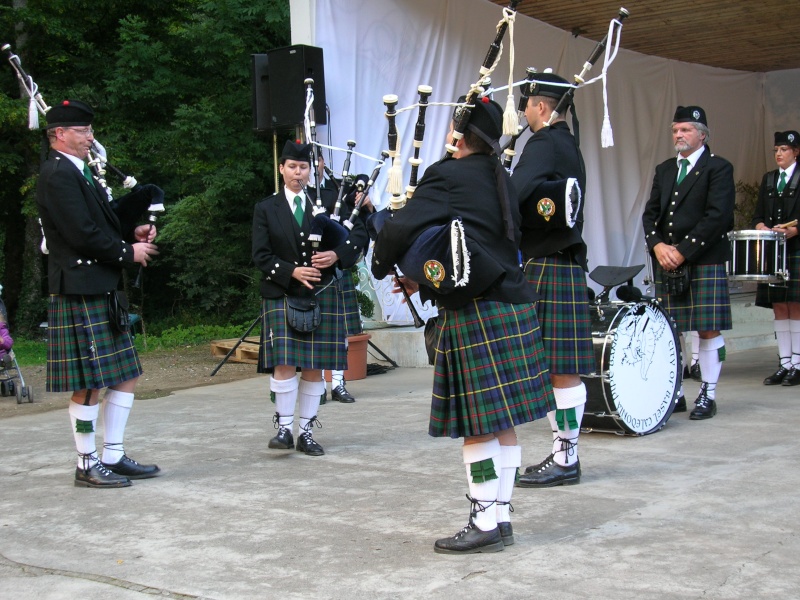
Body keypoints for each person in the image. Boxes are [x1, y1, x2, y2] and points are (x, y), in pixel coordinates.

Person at [372, 97, 555, 554]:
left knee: (478, 426)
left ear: (458, 135)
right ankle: (501, 516)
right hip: (515, 305)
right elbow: (468, 244)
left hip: (478, 312)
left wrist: (382, 260)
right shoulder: (502, 180)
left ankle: (483, 522)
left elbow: (400, 228)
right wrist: (426, 276)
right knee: (504, 423)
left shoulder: (447, 175)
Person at [35, 100, 161, 487]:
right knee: (89, 383)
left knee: (125, 376)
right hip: (79, 289)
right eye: (82, 130)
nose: (91, 137)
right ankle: (86, 464)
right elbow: (79, 234)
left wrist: (130, 234)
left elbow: (99, 224)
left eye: (90, 129)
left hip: (99, 287)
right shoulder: (57, 174)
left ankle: (113, 454)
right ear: (59, 134)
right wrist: (129, 253)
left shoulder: (81, 173)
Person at [252, 140, 365, 456]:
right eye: (292, 167)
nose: (297, 173)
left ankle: (307, 432)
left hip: (322, 293)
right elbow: (260, 255)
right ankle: (285, 430)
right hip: (283, 293)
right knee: (284, 363)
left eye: (303, 168)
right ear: (282, 168)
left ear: (310, 171)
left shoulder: (329, 202)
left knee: (315, 366)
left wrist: (335, 255)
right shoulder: (266, 208)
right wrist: (292, 272)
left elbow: (357, 238)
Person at [510, 72, 593, 487]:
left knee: (559, 368)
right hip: (563, 263)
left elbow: (513, 194)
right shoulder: (569, 145)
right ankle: (566, 453)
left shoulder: (543, 143)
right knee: (561, 367)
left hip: (547, 263)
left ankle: (565, 458)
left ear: (541, 107)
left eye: (527, 105)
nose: (523, 112)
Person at [642, 105, 735, 419]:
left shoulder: (718, 168)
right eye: (675, 130)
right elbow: (650, 215)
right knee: (671, 329)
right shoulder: (665, 169)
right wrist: (657, 246)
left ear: (703, 134)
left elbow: (717, 217)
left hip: (703, 259)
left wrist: (681, 250)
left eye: (685, 130)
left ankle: (708, 392)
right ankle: (676, 392)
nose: (678, 135)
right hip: (667, 259)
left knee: (707, 329)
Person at [314, 159, 372, 404]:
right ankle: (315, 386)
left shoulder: (336, 192)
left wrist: (337, 254)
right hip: (308, 273)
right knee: (311, 331)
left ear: (321, 163)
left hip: (336, 271)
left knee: (341, 330)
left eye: (314, 160)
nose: (307, 167)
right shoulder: (296, 199)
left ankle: (338, 383)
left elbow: (359, 231)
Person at [751, 130, 800, 386]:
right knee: (780, 306)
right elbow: (757, 214)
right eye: (776, 150)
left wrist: (795, 229)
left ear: (796, 152)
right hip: (774, 252)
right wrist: (760, 226)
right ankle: (785, 363)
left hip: (796, 248)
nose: (779, 154)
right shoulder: (769, 179)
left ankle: (798, 364)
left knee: (796, 304)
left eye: (784, 149)